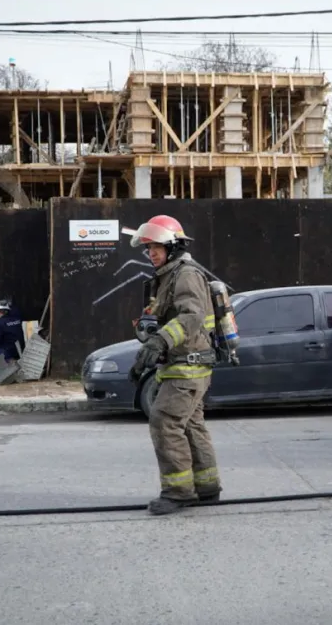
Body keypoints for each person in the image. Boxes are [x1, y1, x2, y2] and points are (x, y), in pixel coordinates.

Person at [127, 214, 222, 516]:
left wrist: (160, 342)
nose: (151, 253)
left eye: (156, 246)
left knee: (165, 421)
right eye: (148, 248)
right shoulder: (168, 276)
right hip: (184, 365)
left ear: (173, 246)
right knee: (191, 425)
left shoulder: (185, 275)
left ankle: (178, 492)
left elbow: (191, 318)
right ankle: (206, 486)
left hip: (188, 366)